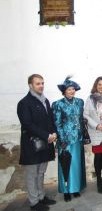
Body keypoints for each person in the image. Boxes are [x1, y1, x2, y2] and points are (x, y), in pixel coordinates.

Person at [17, 74, 57, 211]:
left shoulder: (45, 101)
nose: (41, 86)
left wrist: (53, 133)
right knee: (32, 174)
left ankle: (41, 196)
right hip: (32, 145)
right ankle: (34, 202)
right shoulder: (24, 103)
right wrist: (47, 135)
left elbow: (50, 119)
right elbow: (28, 124)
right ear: (30, 85)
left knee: (41, 172)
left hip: (46, 143)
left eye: (42, 83)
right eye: (38, 83)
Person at [52, 77, 86, 202]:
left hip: (77, 138)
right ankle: (66, 190)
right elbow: (58, 123)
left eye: (73, 89)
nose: (71, 91)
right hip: (65, 141)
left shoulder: (80, 102)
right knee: (65, 165)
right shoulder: (58, 104)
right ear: (64, 91)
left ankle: (75, 188)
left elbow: (82, 119)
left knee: (76, 164)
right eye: (69, 89)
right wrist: (62, 139)